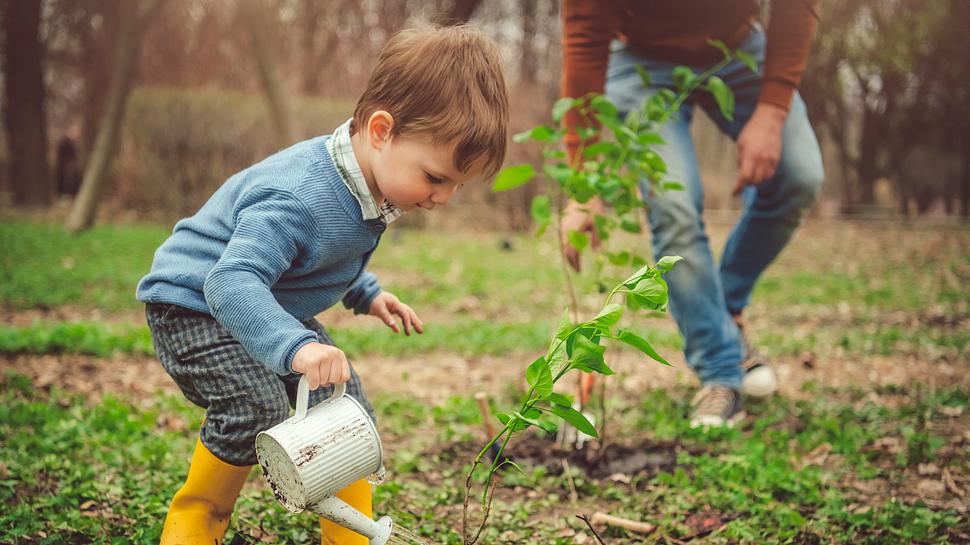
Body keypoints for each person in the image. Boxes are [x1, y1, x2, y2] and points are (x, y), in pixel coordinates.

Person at [136, 25, 509, 545]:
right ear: (381, 130)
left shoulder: (372, 180)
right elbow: (231, 280)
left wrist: (367, 292)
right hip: (195, 304)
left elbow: (326, 252)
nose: (442, 198)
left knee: (344, 405)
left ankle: (349, 537)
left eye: (455, 186)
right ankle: (197, 519)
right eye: (436, 177)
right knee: (255, 405)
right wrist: (296, 346)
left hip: (263, 299)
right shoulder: (297, 197)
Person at [559, 1, 824, 428]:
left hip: (739, 46)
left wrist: (773, 111)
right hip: (641, 58)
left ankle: (726, 315)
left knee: (799, 176)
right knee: (673, 204)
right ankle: (720, 372)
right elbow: (584, 40)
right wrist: (583, 184)